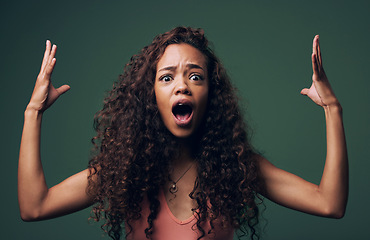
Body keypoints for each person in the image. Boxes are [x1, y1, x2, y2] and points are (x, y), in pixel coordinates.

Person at [18, 27, 348, 240]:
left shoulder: (238, 168)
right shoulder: (125, 171)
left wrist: (332, 109)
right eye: (166, 77)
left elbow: (329, 203)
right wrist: (33, 112)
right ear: (150, 96)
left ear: (211, 94)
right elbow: (34, 207)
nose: (181, 86)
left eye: (195, 76)